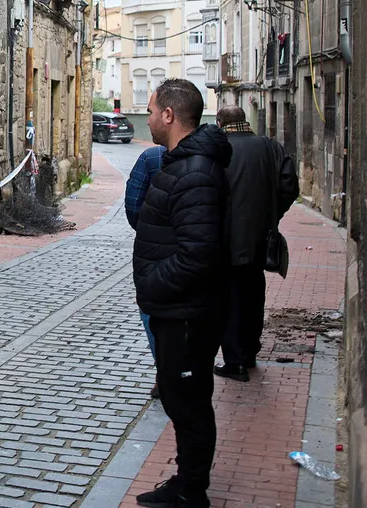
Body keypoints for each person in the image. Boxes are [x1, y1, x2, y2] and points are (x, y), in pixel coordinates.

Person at [132, 79, 232, 508]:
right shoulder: (183, 163)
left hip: (187, 312)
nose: (149, 117)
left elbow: (198, 253)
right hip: (179, 309)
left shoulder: (194, 172)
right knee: (181, 397)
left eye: (152, 110)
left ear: (169, 115)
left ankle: (192, 491)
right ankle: (187, 481)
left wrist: (152, 284)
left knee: (188, 402)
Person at [213, 105, 300, 382]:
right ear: (244, 121)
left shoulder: (218, 149)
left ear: (220, 122)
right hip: (260, 238)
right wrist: (271, 215)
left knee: (228, 299)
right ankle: (249, 352)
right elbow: (290, 186)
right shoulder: (270, 147)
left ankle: (235, 362)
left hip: (225, 240)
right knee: (253, 295)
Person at [125, 143, 167, 398]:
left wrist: (149, 230)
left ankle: (165, 371)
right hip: (202, 251)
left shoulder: (152, 157)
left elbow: (133, 203)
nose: (148, 118)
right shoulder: (213, 156)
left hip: (155, 253)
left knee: (151, 312)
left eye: (151, 112)